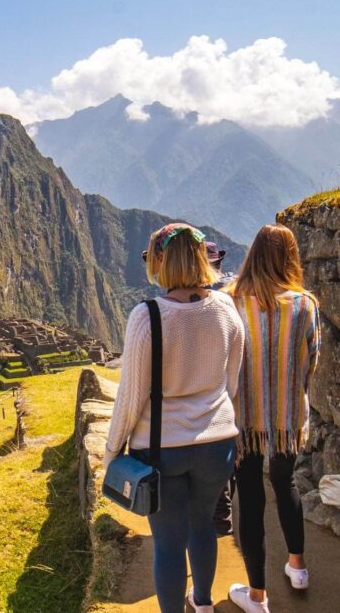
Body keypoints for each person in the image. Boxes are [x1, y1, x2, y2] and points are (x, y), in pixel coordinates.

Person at [104, 223, 244, 613]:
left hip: (162, 450)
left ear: (161, 263)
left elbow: (130, 396)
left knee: (168, 541)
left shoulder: (148, 316)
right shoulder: (227, 309)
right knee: (203, 527)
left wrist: (112, 450)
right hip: (217, 444)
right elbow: (231, 380)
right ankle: (202, 604)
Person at [225, 224, 321, 613]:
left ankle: (258, 596)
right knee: (286, 484)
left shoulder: (231, 301)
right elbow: (313, 359)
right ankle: (297, 567)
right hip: (287, 415)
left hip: (244, 417)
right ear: (289, 258)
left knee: (249, 498)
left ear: (253, 255)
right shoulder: (304, 304)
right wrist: (292, 390)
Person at [206, 241, 237, 536]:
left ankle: (219, 517)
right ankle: (223, 512)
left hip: (213, 392)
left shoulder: (203, 297)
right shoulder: (234, 288)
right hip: (235, 387)